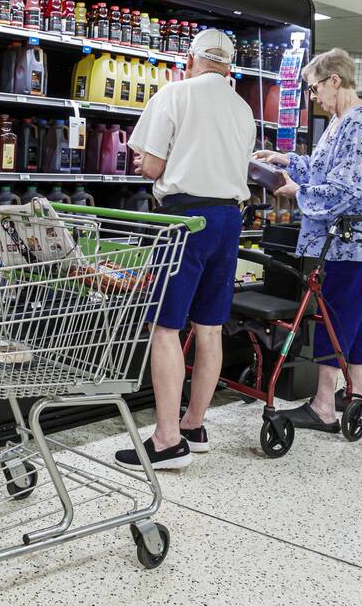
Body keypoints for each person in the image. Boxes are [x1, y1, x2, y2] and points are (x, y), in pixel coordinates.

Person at [114, 29, 255, 470]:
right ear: (228, 67)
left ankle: (167, 440)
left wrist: (147, 163)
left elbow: (152, 164)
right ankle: (194, 425)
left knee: (166, 328)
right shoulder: (243, 108)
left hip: (184, 220)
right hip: (229, 219)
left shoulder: (174, 94)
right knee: (210, 328)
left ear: (189, 60)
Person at [255, 48, 362, 431]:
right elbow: (324, 169)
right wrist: (286, 160)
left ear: (334, 80)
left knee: (335, 315)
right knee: (356, 315)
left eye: (315, 87)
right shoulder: (341, 120)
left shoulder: (359, 123)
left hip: (358, 239)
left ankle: (322, 405)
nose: (313, 96)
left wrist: (297, 192)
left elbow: (347, 186)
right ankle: (357, 392)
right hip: (358, 240)